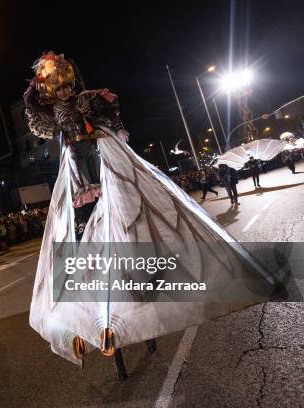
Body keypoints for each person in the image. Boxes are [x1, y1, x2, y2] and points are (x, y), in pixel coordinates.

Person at [23, 51, 276, 366]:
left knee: (129, 228)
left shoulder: (90, 100)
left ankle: (132, 309)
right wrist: (36, 88)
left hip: (107, 164)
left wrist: (104, 131)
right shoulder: (54, 113)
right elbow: (35, 114)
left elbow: (113, 121)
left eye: (67, 86)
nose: (65, 92)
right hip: (76, 173)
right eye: (58, 88)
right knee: (81, 248)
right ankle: (90, 324)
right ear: (51, 90)